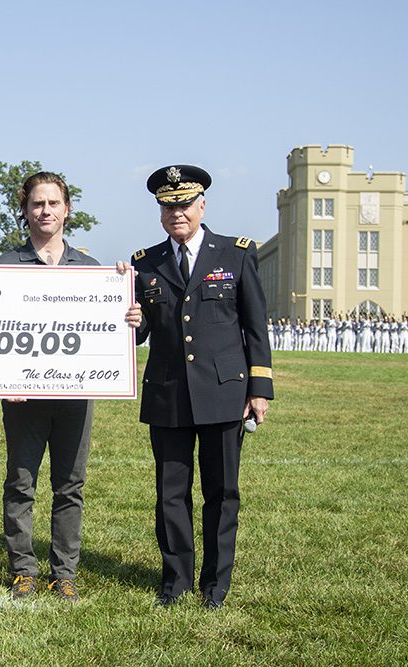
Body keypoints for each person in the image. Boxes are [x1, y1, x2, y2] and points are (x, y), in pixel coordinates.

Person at [0, 172, 141, 601]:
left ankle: (65, 572)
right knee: (20, 484)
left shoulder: (92, 270)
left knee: (69, 486)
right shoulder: (5, 265)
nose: (45, 211)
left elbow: (106, 333)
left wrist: (126, 313)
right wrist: (3, 377)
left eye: (53, 204)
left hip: (75, 397)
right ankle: (23, 568)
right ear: (25, 209)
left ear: (66, 210)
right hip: (23, 397)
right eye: (37, 204)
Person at [132, 164, 273, 609]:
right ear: (159, 211)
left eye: (185, 204)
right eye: (168, 205)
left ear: (202, 205)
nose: (177, 212)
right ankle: (175, 582)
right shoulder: (143, 264)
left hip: (223, 392)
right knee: (171, 495)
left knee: (222, 492)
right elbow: (139, 333)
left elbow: (256, 327)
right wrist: (131, 322)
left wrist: (259, 389)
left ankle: (215, 585)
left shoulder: (236, 253)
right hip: (168, 393)